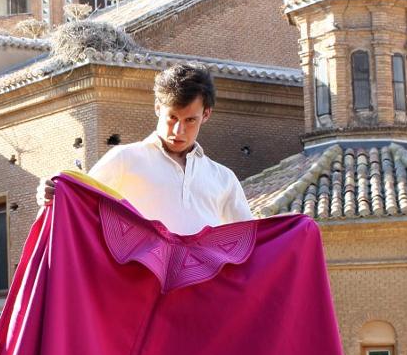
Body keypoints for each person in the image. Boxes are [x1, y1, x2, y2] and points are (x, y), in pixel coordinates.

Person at [35, 63, 253, 231]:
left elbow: (251, 242)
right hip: (140, 287)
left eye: (190, 120)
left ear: (206, 115)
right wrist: (53, 194)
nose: (178, 131)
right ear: (158, 107)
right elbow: (77, 204)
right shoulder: (125, 159)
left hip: (202, 288)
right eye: (172, 117)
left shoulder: (224, 179)